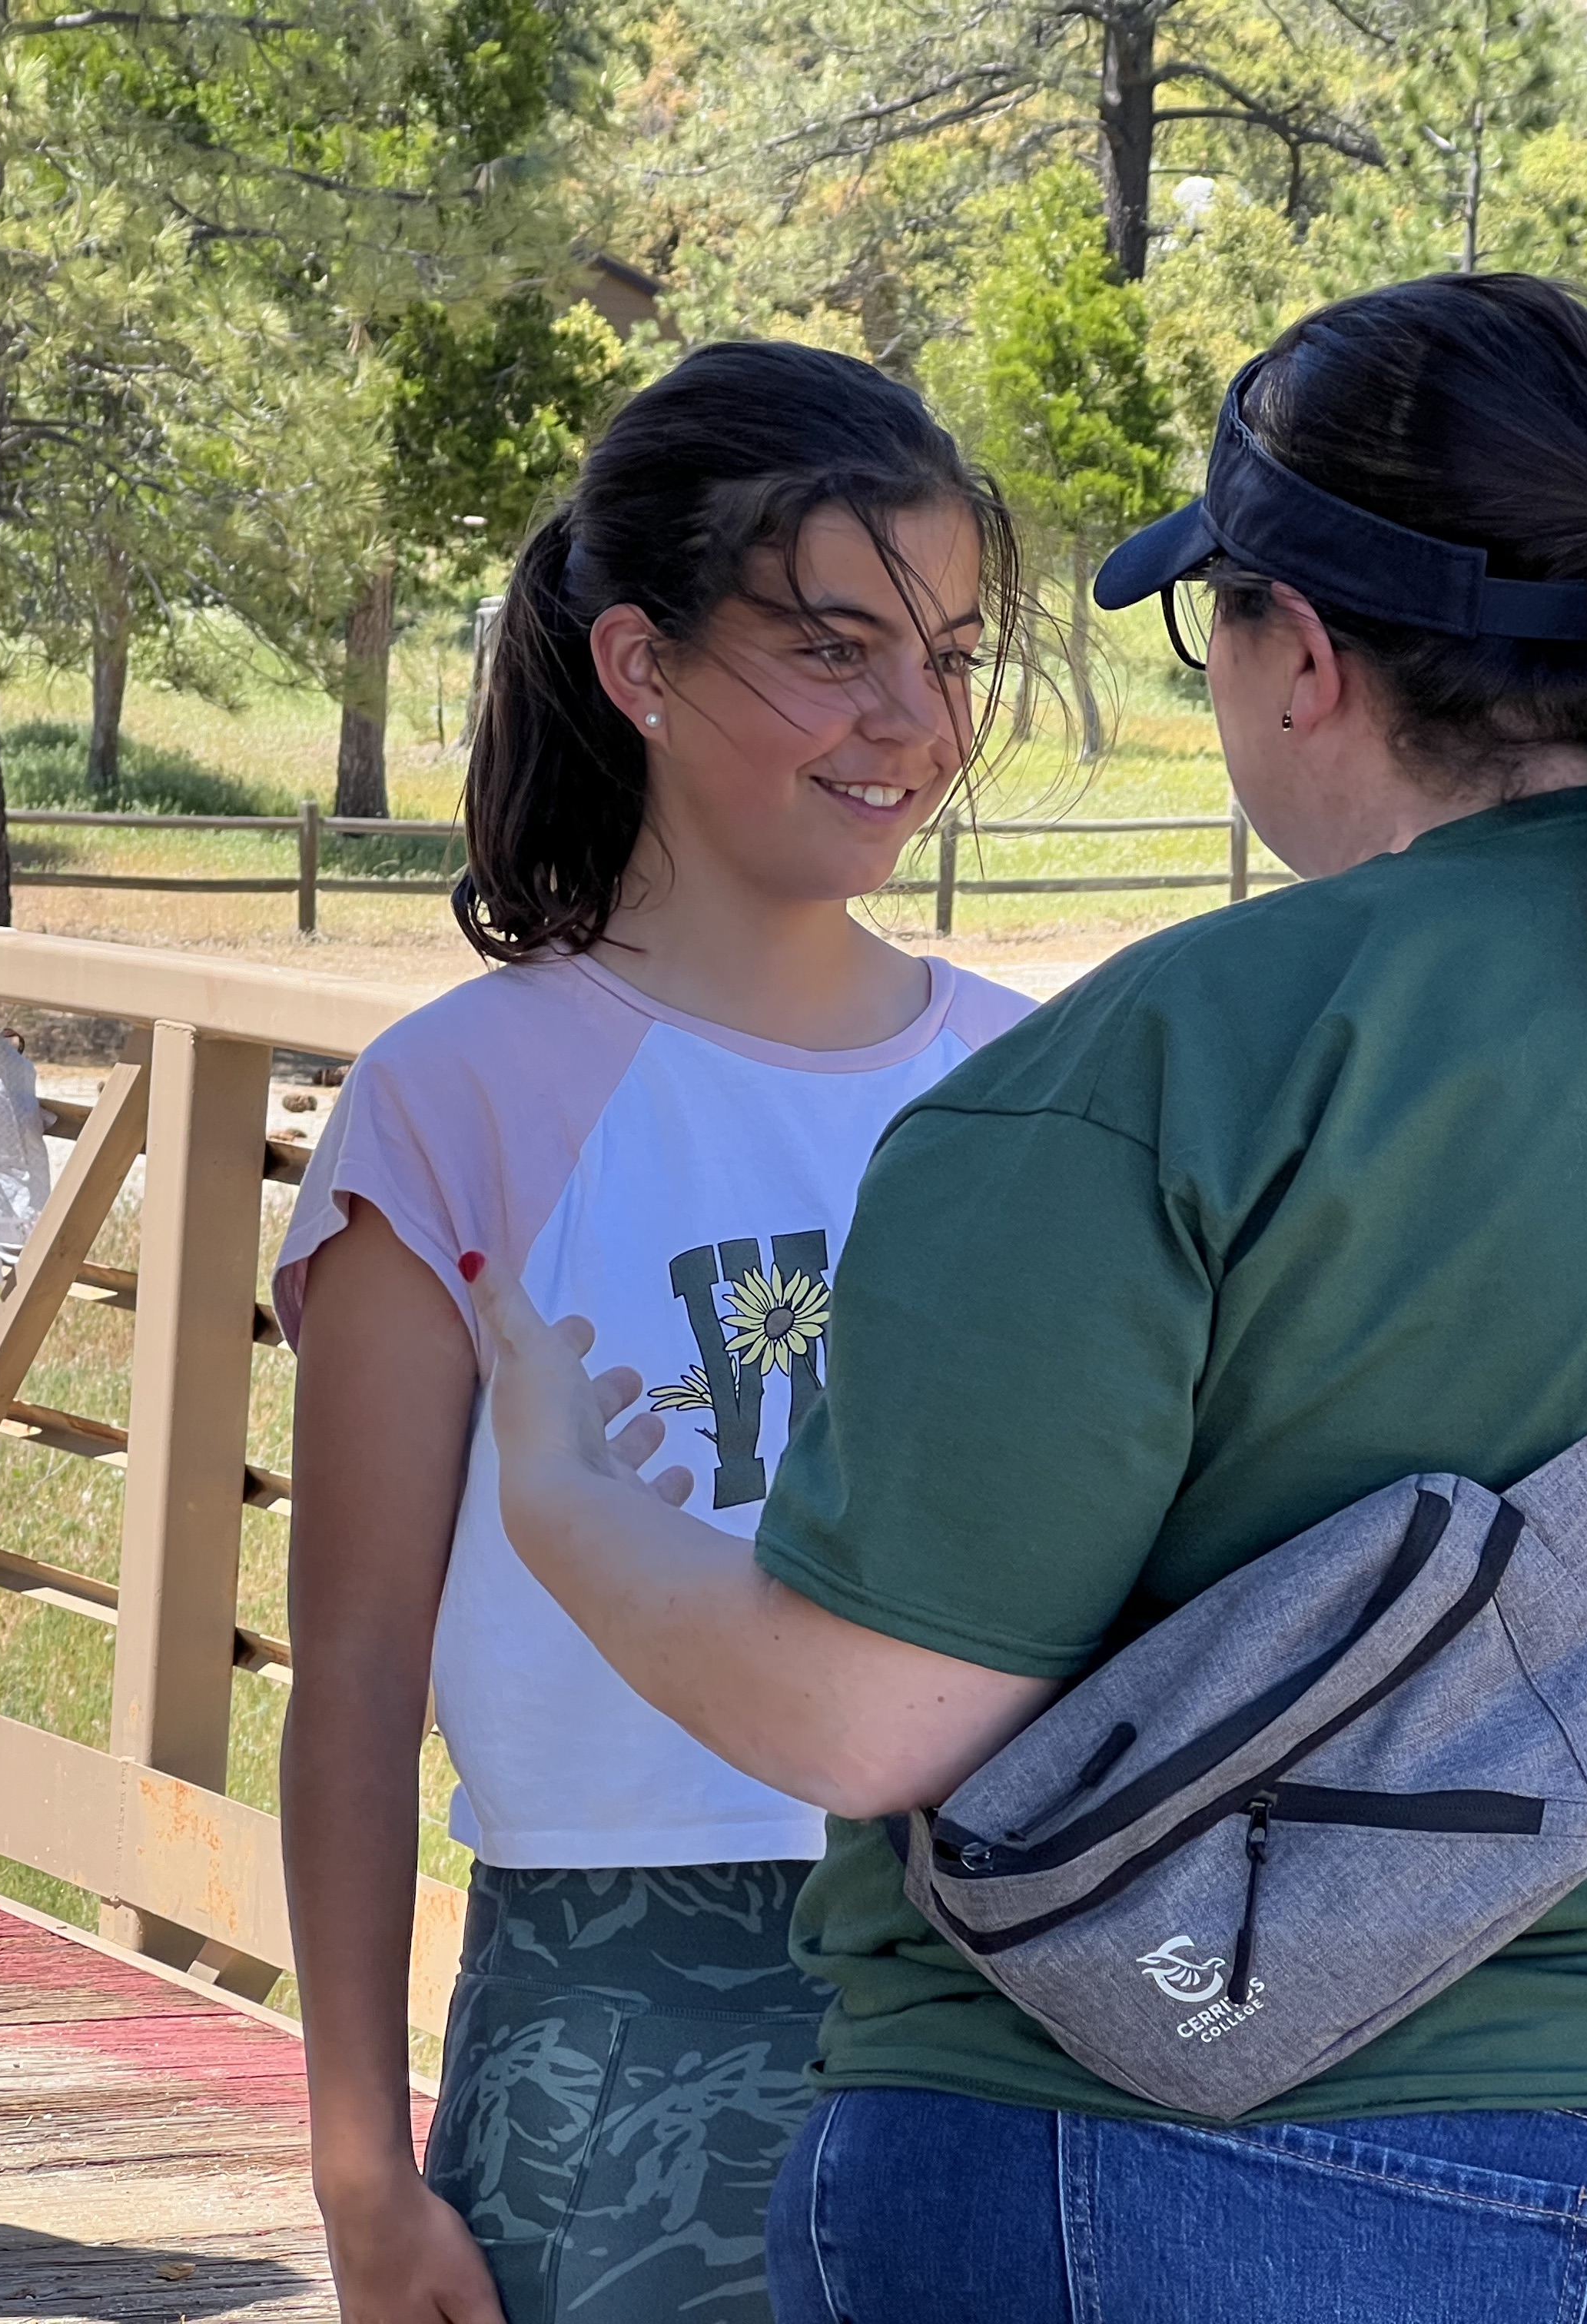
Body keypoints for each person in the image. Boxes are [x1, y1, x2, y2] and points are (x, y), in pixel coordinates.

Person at [470, 274, 1587, 2322]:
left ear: (1309, 658)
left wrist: (563, 1490)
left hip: (1224, 2184)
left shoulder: (1158, 1074)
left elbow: (863, 1712)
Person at [274, 340, 1041, 2324]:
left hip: (1012, 2015)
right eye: (836, 650)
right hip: (605, 2042)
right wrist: (362, 2171)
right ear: (639, 665)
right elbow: (351, 1669)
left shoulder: (1038, 1084)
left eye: (949, 656)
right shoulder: (455, 1104)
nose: (912, 721)